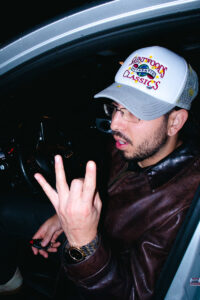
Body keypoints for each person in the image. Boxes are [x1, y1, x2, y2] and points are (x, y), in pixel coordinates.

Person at [0, 46, 200, 299]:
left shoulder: (186, 206)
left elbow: (134, 294)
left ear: (175, 122)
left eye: (135, 114)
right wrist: (67, 217)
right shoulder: (129, 145)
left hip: (101, 266)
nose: (115, 124)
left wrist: (82, 242)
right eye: (116, 108)